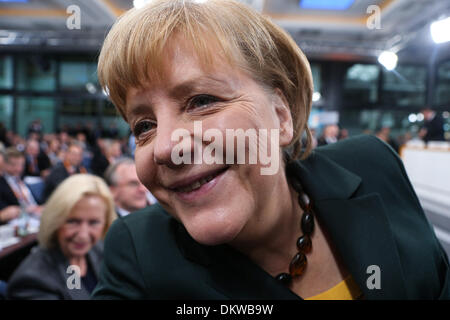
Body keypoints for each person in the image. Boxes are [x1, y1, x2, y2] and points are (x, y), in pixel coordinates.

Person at [92, 0, 450, 300]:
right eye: (144, 126)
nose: (167, 147)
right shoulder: (137, 254)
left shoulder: (373, 164)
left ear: (281, 116)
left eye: (201, 101)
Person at [6, 174, 116, 300]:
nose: (83, 235)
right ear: (55, 220)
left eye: (94, 223)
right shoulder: (32, 282)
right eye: (72, 221)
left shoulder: (99, 250)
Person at [0, 147, 42, 224]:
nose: (19, 168)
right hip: (19, 220)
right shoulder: (2, 183)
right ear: (4, 164)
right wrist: (25, 210)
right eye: (14, 165)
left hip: (35, 214)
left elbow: (32, 201)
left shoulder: (19, 179)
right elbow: (7, 212)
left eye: (21, 165)